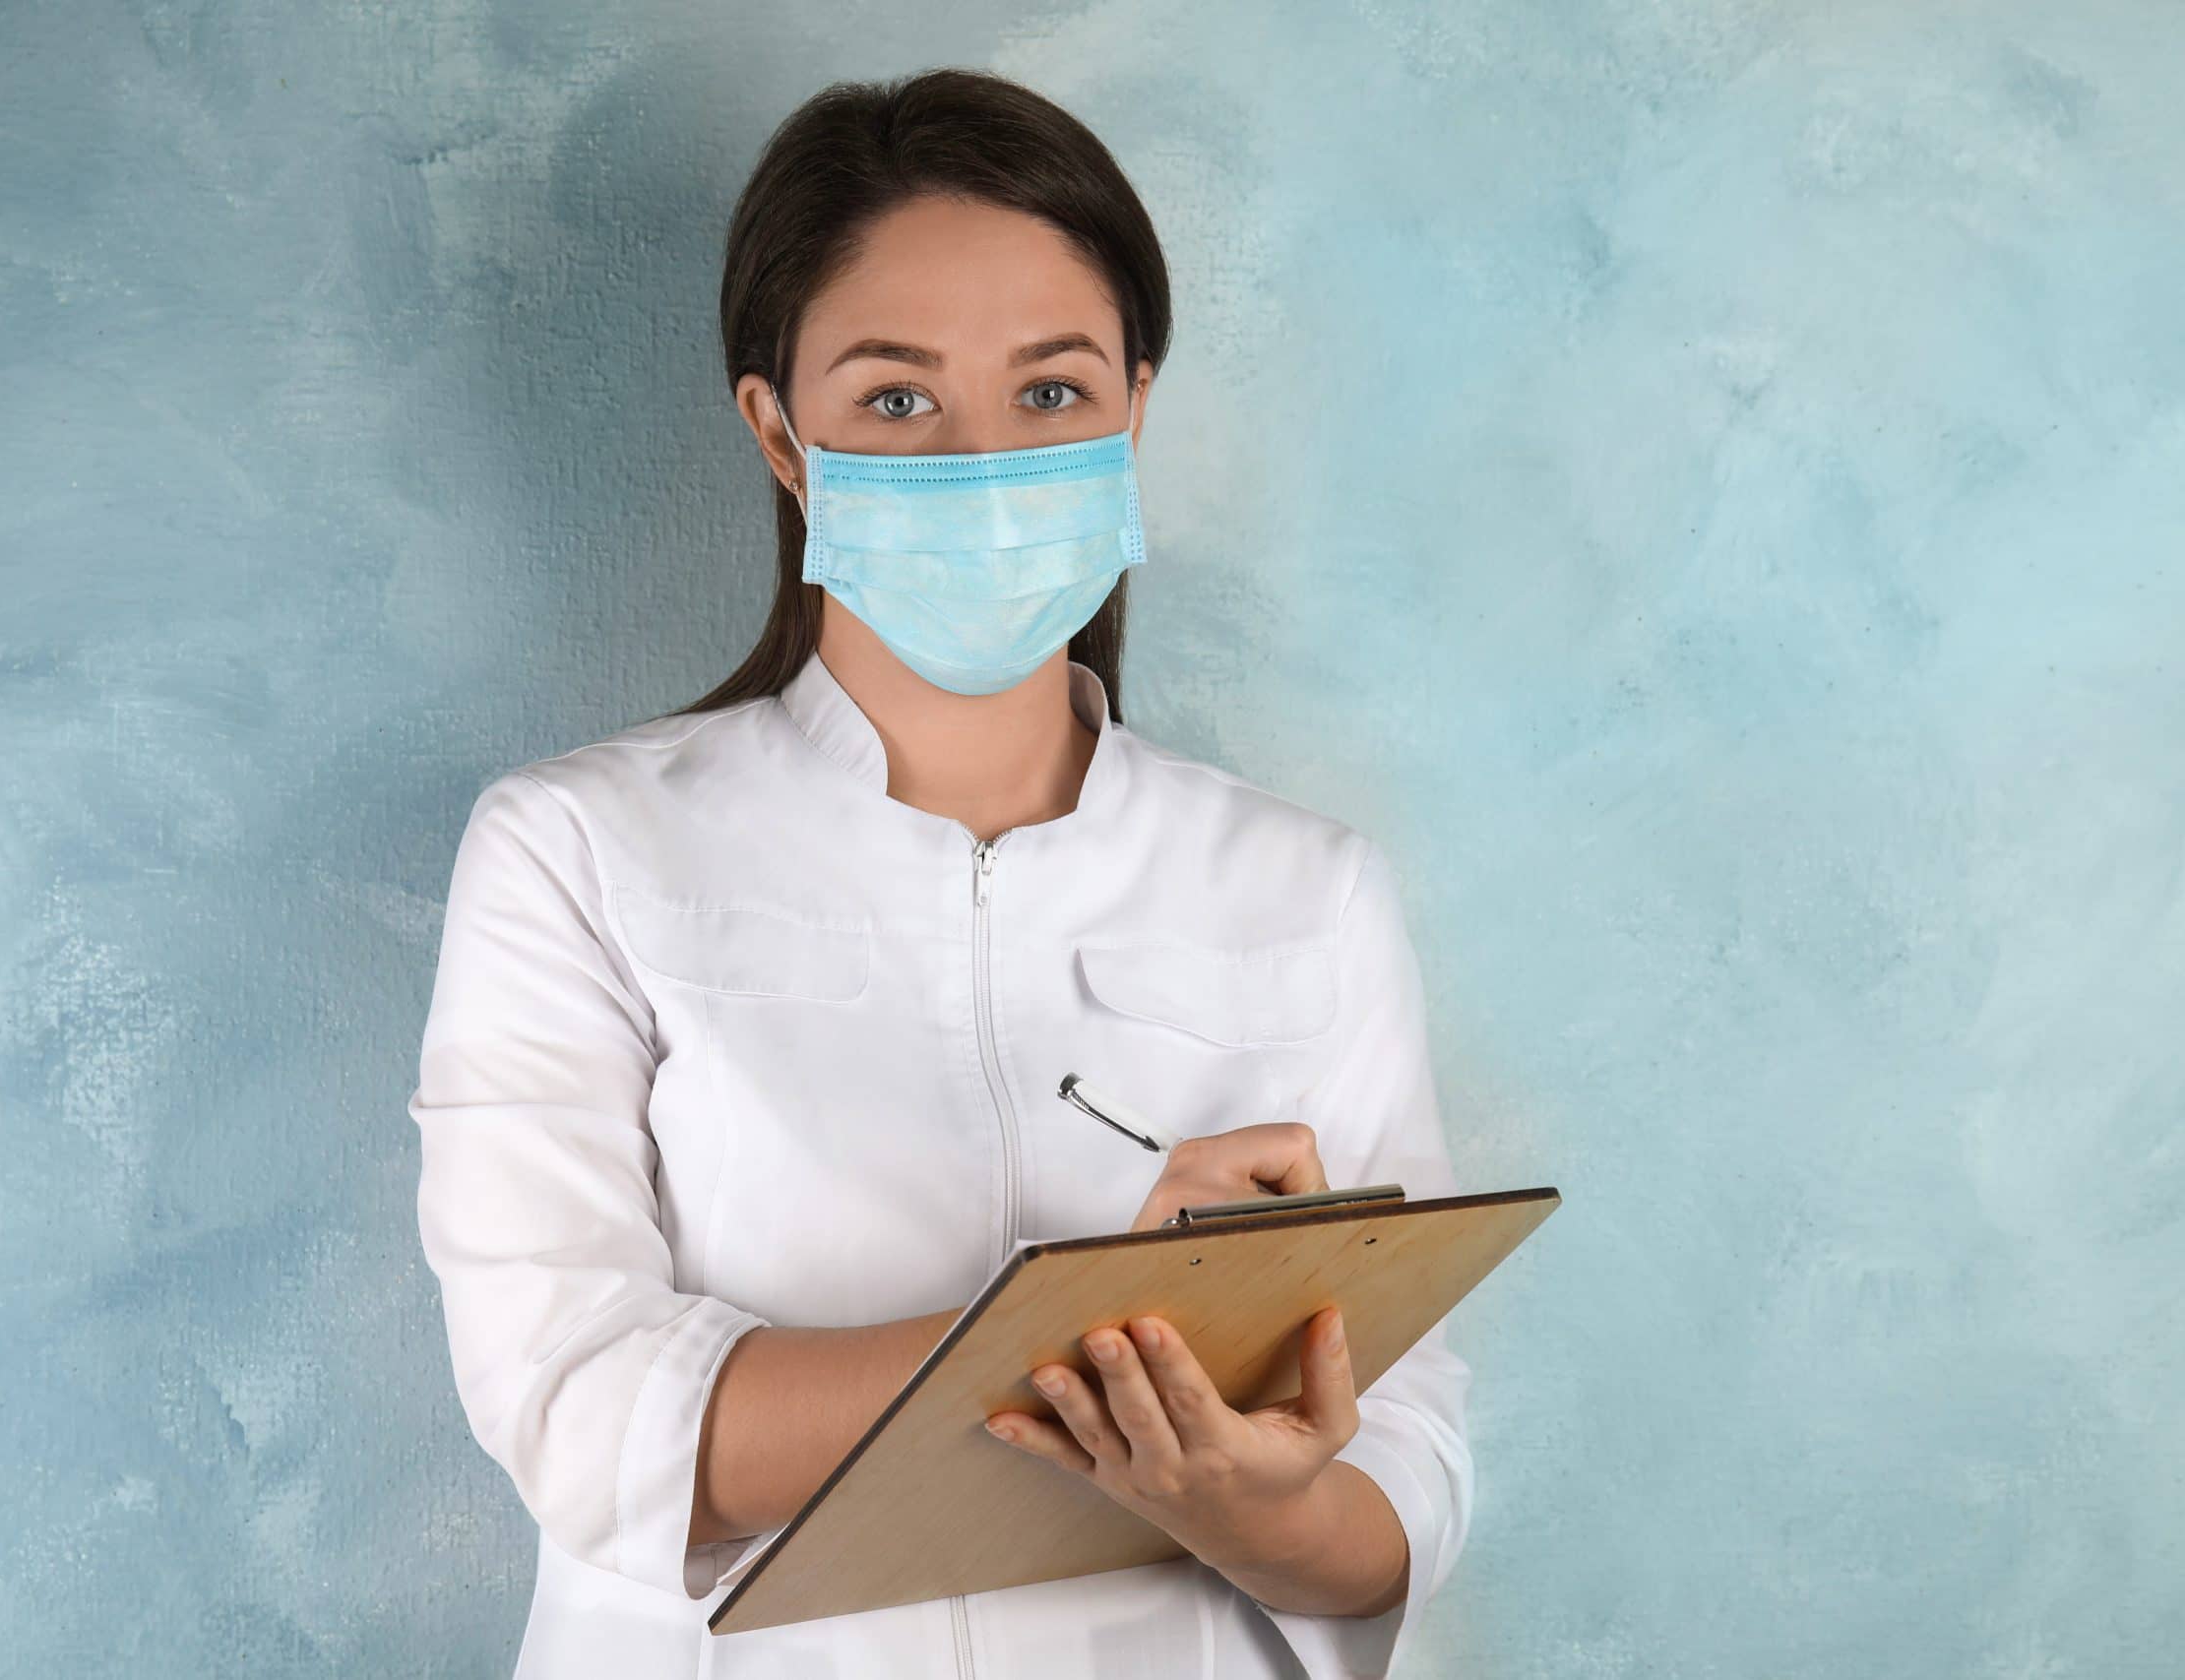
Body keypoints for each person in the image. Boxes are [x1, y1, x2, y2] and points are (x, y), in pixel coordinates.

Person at [408, 67, 1472, 1680]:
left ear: (1134, 405)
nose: (984, 460)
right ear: (781, 433)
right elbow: (580, 1404)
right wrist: (1105, 1333)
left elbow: (1404, 1457)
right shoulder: (579, 852)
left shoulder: (1305, 887)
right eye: (899, 400)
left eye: (1050, 394)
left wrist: (1252, 1506)